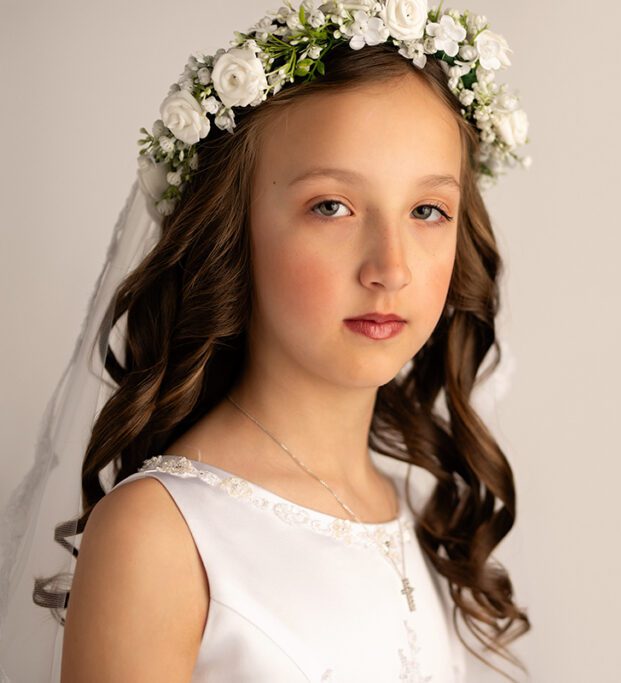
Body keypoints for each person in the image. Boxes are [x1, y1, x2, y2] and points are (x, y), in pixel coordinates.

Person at [0, 2, 531, 681]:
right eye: (331, 207)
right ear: (235, 230)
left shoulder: (416, 510)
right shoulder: (160, 535)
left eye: (427, 210)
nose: (390, 267)